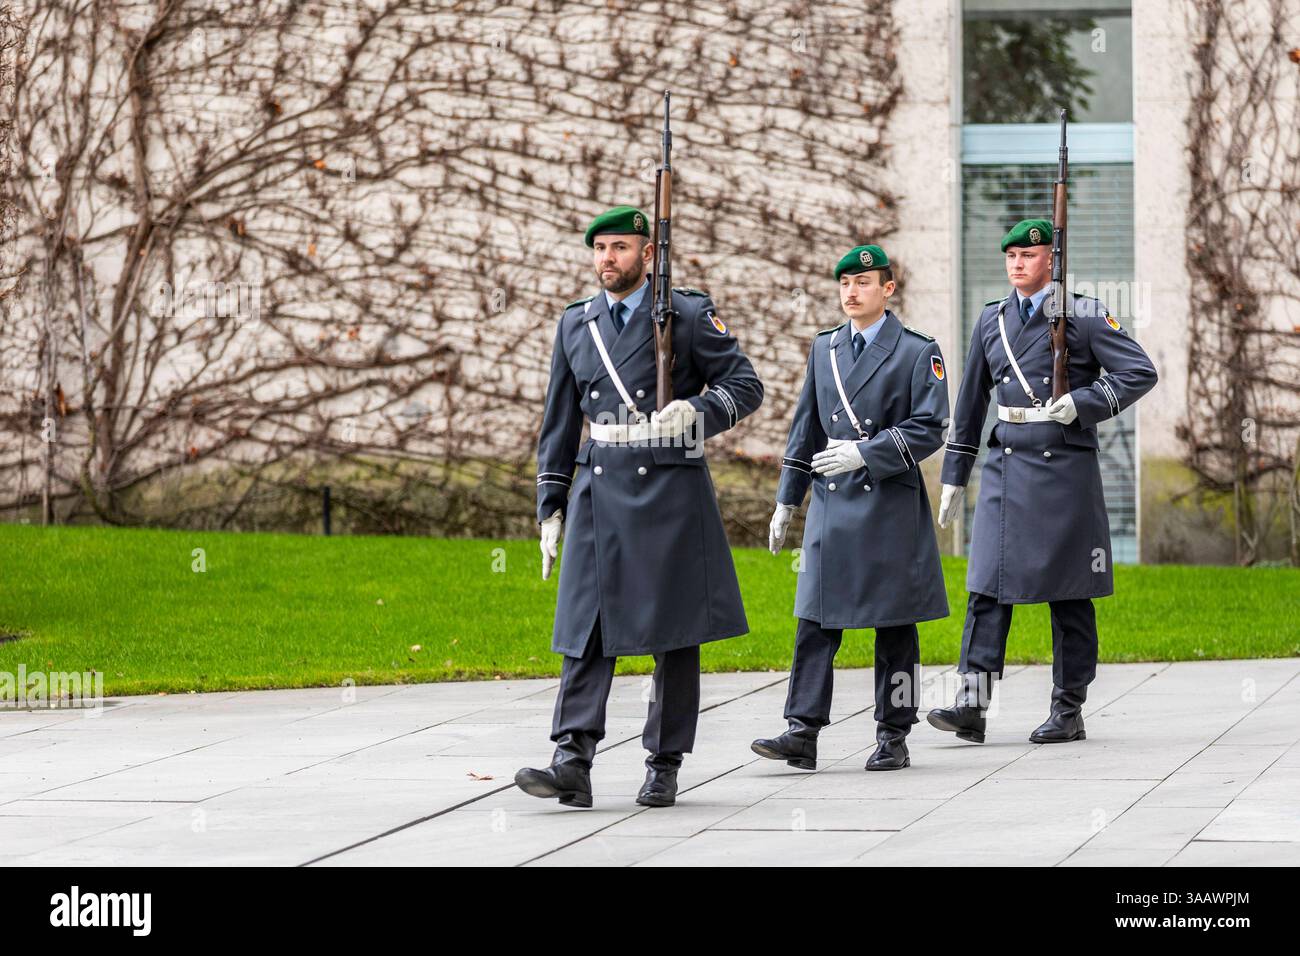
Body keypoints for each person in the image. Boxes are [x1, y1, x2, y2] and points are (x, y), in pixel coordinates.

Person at [516, 205, 764, 808]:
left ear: (648, 254)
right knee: (586, 629)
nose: (608, 259)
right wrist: (550, 506)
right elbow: (558, 422)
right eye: (600, 248)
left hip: (668, 490)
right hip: (599, 488)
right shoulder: (576, 323)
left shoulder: (688, 312)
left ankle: (665, 761)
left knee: (673, 633)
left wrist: (697, 414)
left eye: (621, 247)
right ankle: (571, 759)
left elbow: (746, 385)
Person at [929, 218, 1158, 744]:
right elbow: (970, 404)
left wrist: (1081, 402)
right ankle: (972, 703)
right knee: (986, 584)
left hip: (1063, 470)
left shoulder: (1082, 312)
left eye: (1028, 255)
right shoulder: (992, 319)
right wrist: (954, 476)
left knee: (1068, 592)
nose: (1016, 263)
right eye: (1009, 255)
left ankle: (1068, 706)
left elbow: (1138, 371)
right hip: (1006, 466)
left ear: (1051, 260)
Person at [754, 244, 949, 772]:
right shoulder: (826, 348)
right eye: (844, 283)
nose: (851, 292)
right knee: (814, 620)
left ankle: (893, 734)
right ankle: (802, 730)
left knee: (894, 626)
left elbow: (932, 426)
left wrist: (867, 452)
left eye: (863, 283)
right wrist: (786, 500)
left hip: (888, 506)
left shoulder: (916, 350)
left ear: (887, 289)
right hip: (832, 507)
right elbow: (806, 428)